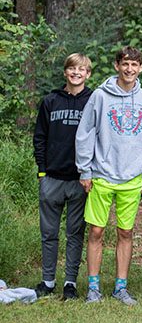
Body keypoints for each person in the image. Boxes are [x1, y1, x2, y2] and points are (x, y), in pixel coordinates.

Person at [76, 46, 142, 305]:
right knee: (96, 231)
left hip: (132, 176)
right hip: (102, 174)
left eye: (135, 65)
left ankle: (121, 287)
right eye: (125, 64)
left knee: (126, 232)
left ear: (141, 68)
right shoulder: (100, 96)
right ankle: (93, 287)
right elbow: (86, 132)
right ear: (116, 66)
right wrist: (85, 169)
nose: (129, 69)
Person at [33, 53, 93, 300]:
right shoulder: (50, 101)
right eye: (72, 69)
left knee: (75, 232)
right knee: (49, 232)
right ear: (65, 72)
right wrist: (42, 171)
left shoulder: (94, 100)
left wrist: (90, 171)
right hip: (52, 177)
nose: (76, 73)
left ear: (88, 74)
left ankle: (70, 282)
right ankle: (48, 281)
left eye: (81, 70)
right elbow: (40, 137)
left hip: (80, 179)